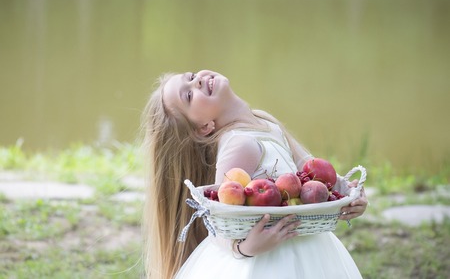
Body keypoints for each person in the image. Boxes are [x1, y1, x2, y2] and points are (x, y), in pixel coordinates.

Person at [141, 70, 368, 279]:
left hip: (309, 243)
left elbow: (312, 170)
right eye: (189, 95)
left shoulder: (264, 120)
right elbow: (218, 218)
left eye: (190, 76)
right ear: (203, 127)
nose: (197, 80)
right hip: (269, 259)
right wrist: (243, 248)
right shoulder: (240, 144)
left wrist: (348, 192)